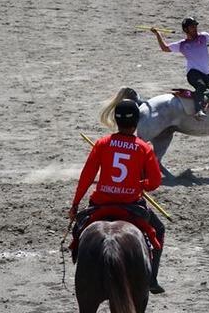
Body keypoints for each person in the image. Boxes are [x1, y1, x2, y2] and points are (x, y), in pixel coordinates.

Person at [68, 100, 167, 294]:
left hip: (101, 203)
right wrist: (140, 184)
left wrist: (75, 204)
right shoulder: (143, 148)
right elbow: (154, 182)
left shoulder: (103, 143)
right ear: (136, 122)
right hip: (130, 205)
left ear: (116, 120)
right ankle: (152, 280)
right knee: (159, 229)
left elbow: (87, 177)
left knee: (79, 231)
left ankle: (78, 259)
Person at [152, 17, 209, 119]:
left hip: (207, 74)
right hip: (193, 73)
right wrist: (157, 34)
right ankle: (198, 111)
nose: (195, 28)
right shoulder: (182, 45)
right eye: (192, 27)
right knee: (201, 87)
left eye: (195, 26)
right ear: (186, 30)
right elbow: (165, 48)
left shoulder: (203, 36)